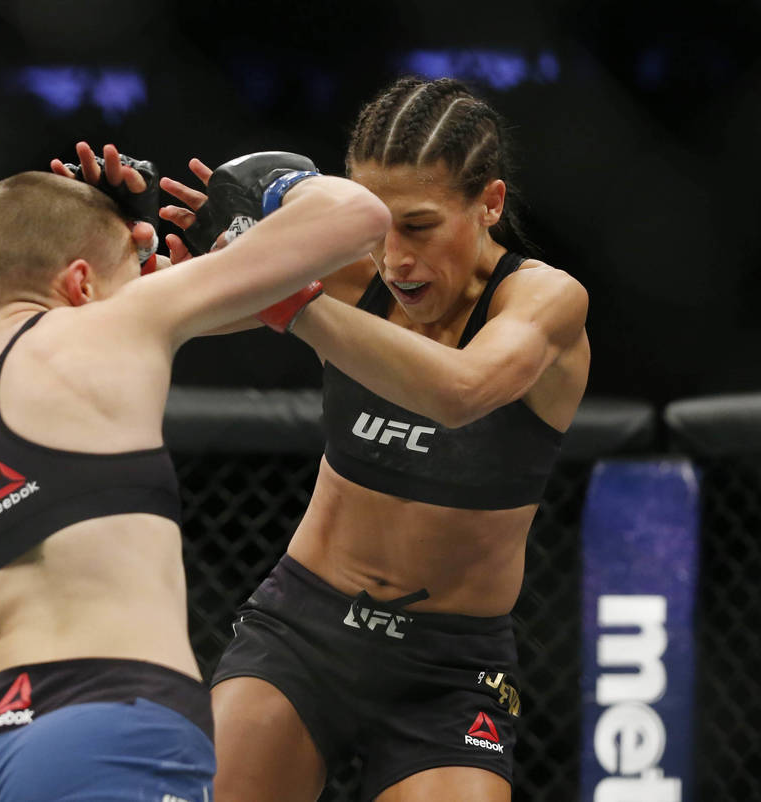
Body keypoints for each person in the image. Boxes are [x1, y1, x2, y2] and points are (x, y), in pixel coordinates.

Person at [0, 144, 391, 801]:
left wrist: (4, 627)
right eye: (137, 268)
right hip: (115, 730)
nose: (150, 278)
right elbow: (358, 215)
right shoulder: (115, 324)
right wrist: (273, 190)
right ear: (80, 284)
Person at [159, 76, 590, 802]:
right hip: (302, 632)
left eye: (418, 225)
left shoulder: (544, 300)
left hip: (451, 668)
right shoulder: (344, 275)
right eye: (374, 224)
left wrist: (289, 297)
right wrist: (124, 231)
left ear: (489, 203)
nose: (394, 257)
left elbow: (461, 392)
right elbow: (160, 309)